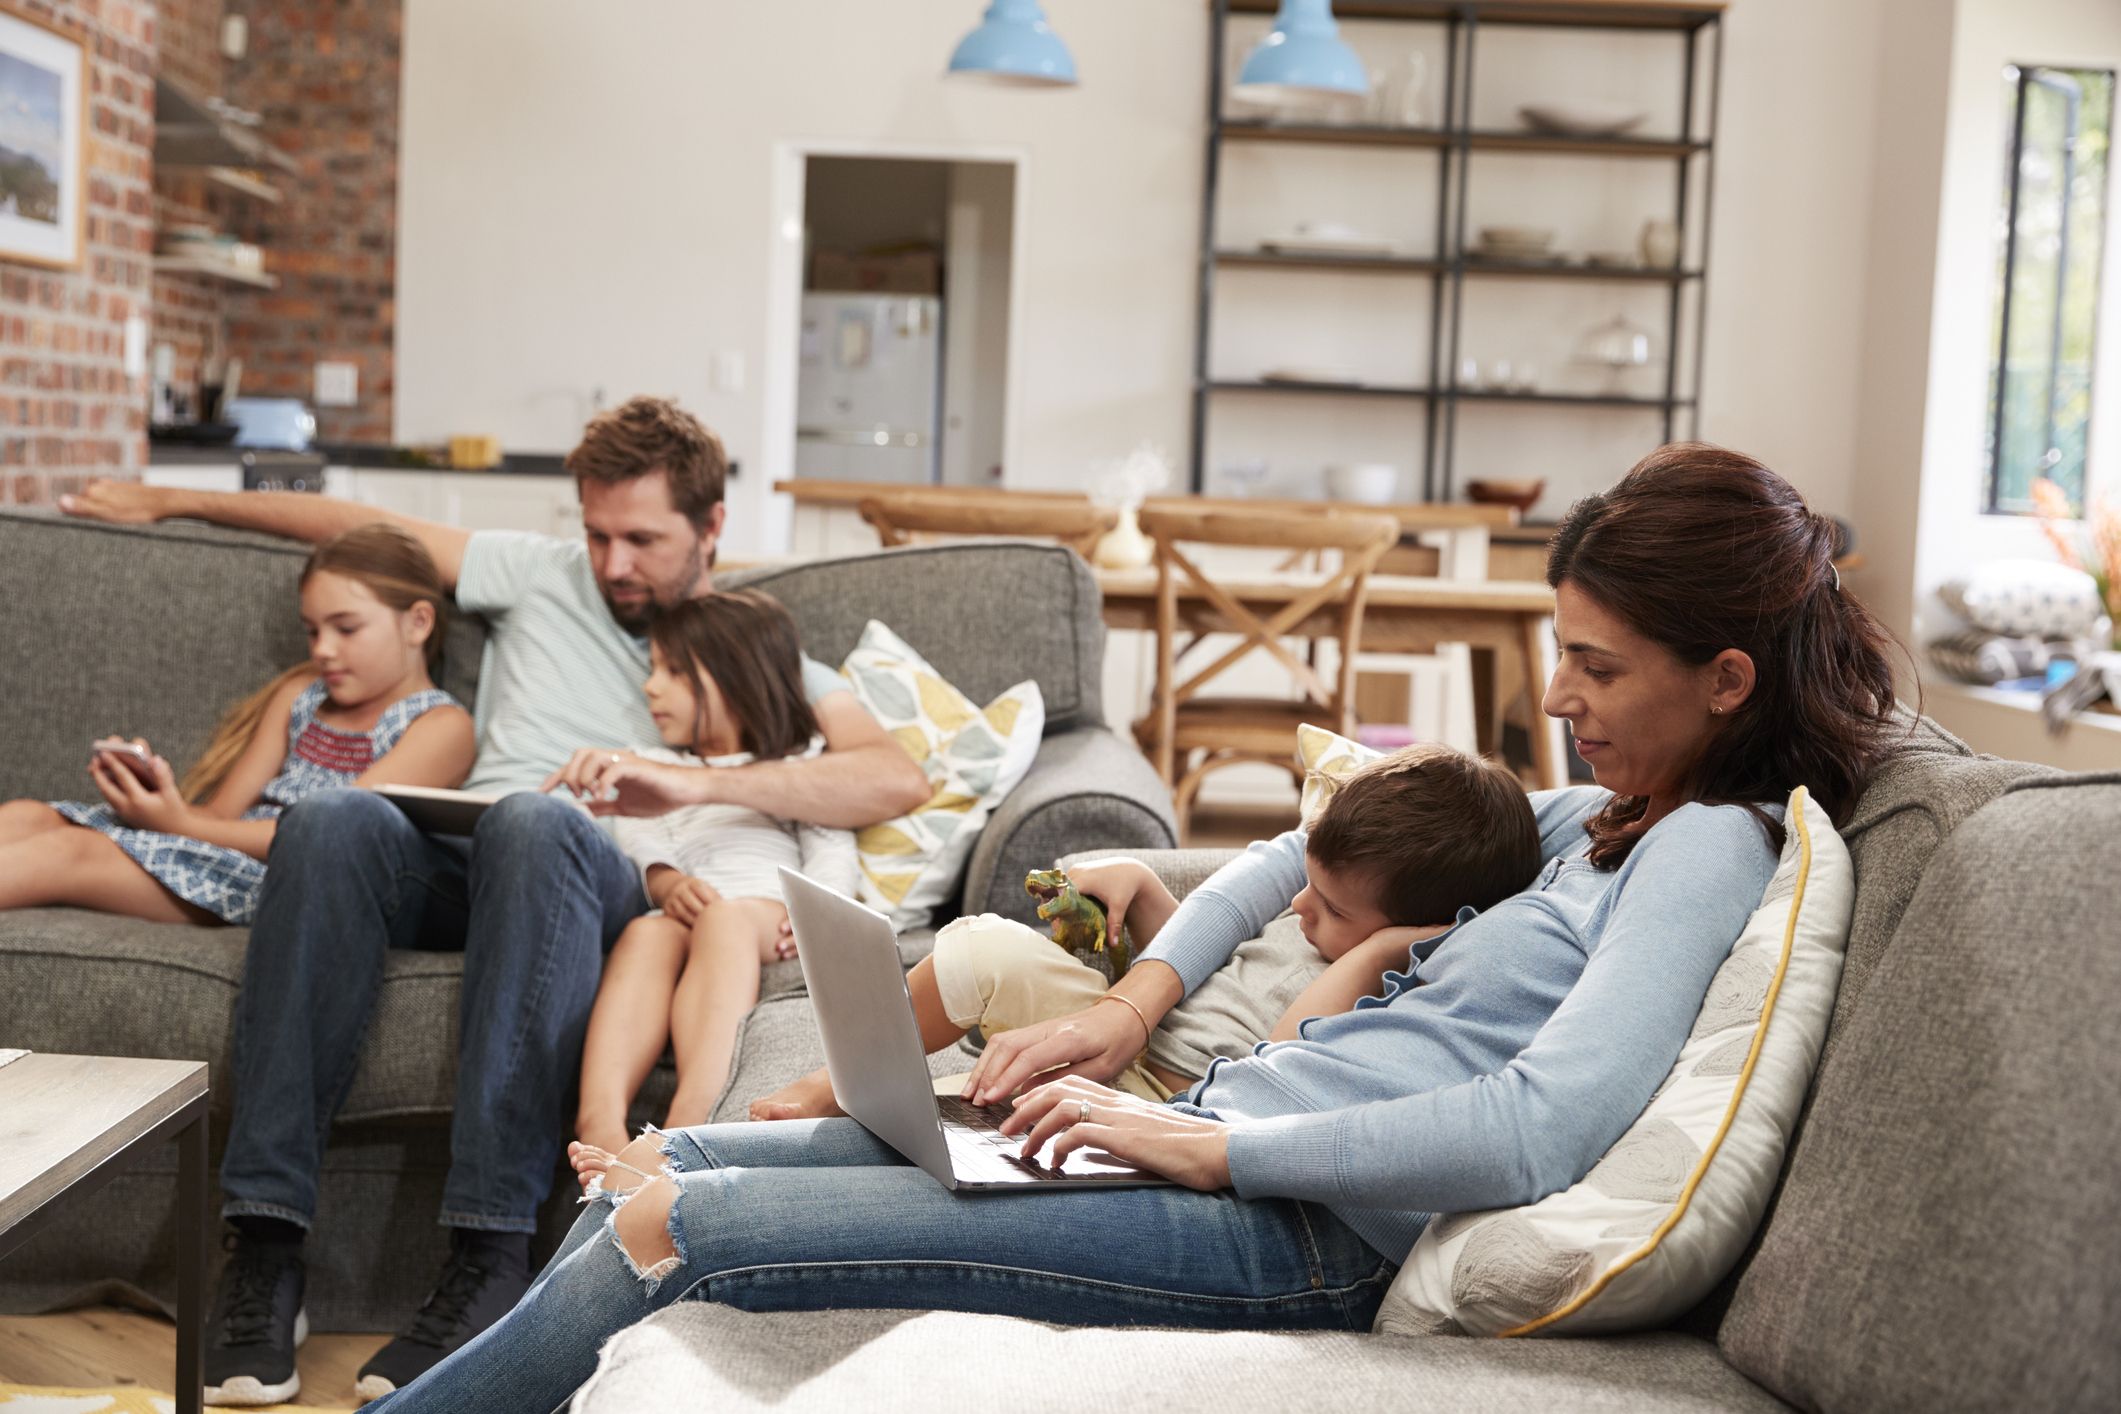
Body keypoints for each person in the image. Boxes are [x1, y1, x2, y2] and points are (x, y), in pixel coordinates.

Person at [362, 442, 1904, 1414]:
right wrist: (1124, 1013)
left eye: (1597, 667)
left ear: (1725, 679)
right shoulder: (1592, 820)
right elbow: (1288, 851)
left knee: (673, 1222)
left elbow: (1532, 1129)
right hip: (1193, 1141)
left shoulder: (1709, 841)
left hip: (1293, 1235)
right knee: (678, 1153)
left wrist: (1201, 1144)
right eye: (1559, 656)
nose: (1556, 697)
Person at [59, 397, 930, 1407]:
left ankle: (488, 1257)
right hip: (452, 853)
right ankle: (263, 1243)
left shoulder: (747, 647)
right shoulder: (532, 570)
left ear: (712, 528)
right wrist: (164, 498)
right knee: (336, 818)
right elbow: (354, 531)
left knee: (530, 820)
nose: (614, 563)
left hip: (585, 869)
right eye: (598, 534)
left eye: (643, 539)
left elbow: (889, 776)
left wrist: (689, 783)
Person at [739, 744, 1540, 1132]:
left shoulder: (1381, 975)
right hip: (1133, 1032)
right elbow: (1208, 970)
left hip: (1167, 1105)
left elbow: (1285, 1064)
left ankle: (875, 1108)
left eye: (1329, 909)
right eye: (1307, 883)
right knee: (980, 946)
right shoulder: (1323, 908)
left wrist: (1373, 953)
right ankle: (833, 1083)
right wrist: (1148, 894)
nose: (1298, 906)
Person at [0, 523, 472, 924]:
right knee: (29, 814)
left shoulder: (439, 726)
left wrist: (178, 825)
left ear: (418, 624)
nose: (322, 649)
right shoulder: (301, 696)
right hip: (217, 845)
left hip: (279, 879)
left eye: (346, 629)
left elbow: (330, 837)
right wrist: (156, 797)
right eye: (312, 630)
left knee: (69, 853)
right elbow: (222, 814)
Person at [576, 590, 860, 1154]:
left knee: (725, 921)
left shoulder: (798, 763)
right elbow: (639, 832)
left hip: (764, 911)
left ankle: (687, 1122)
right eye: (653, 668)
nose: (650, 686)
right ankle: (600, 1124)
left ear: (738, 677)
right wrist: (666, 882)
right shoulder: (657, 766)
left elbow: (831, 842)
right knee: (646, 931)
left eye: (675, 671)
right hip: (687, 911)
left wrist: (817, 913)